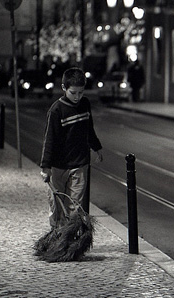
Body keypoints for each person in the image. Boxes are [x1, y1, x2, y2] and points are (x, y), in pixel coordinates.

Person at [40, 67, 103, 229]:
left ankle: (70, 238)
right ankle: (57, 236)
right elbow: (49, 139)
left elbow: (89, 128)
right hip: (58, 165)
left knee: (74, 206)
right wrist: (45, 167)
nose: (77, 97)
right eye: (73, 93)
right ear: (64, 88)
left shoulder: (85, 104)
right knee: (57, 206)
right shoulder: (56, 110)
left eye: (81, 93)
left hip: (80, 163)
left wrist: (96, 147)